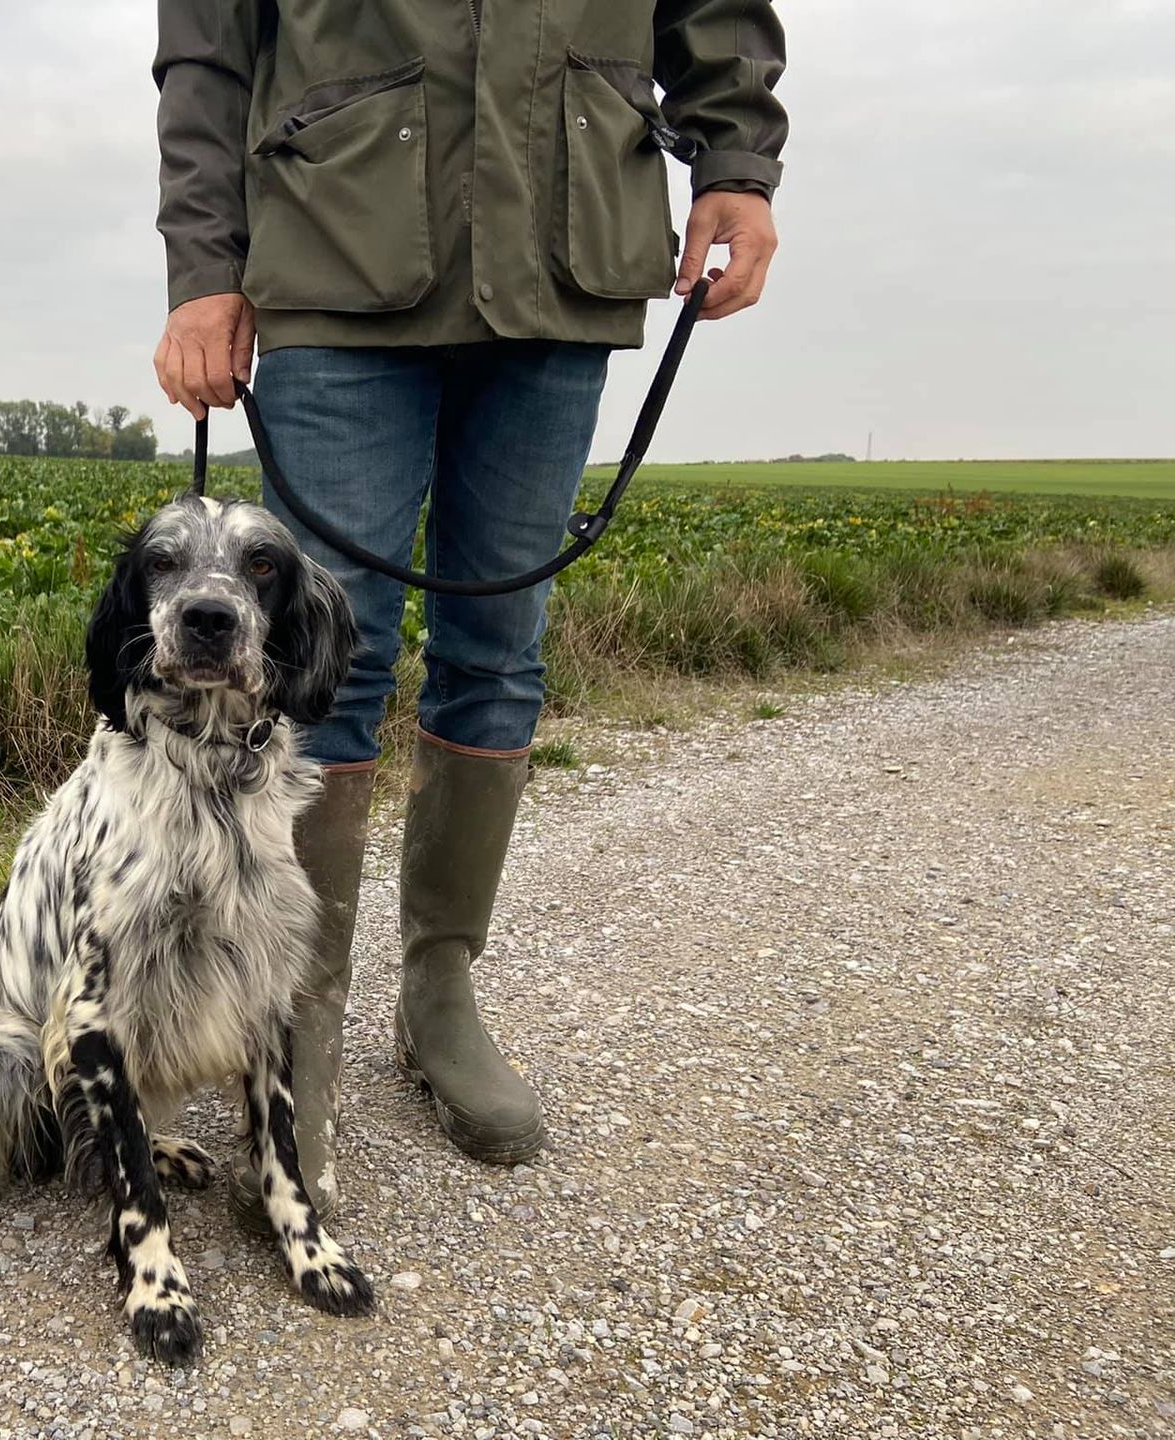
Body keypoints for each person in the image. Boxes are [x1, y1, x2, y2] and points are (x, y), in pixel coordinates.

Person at [151, 1, 788, 1224]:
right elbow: (207, 46)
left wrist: (738, 164)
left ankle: (440, 992)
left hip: (567, 250)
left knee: (500, 653)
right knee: (320, 664)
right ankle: (296, 1027)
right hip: (338, 251)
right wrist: (204, 268)